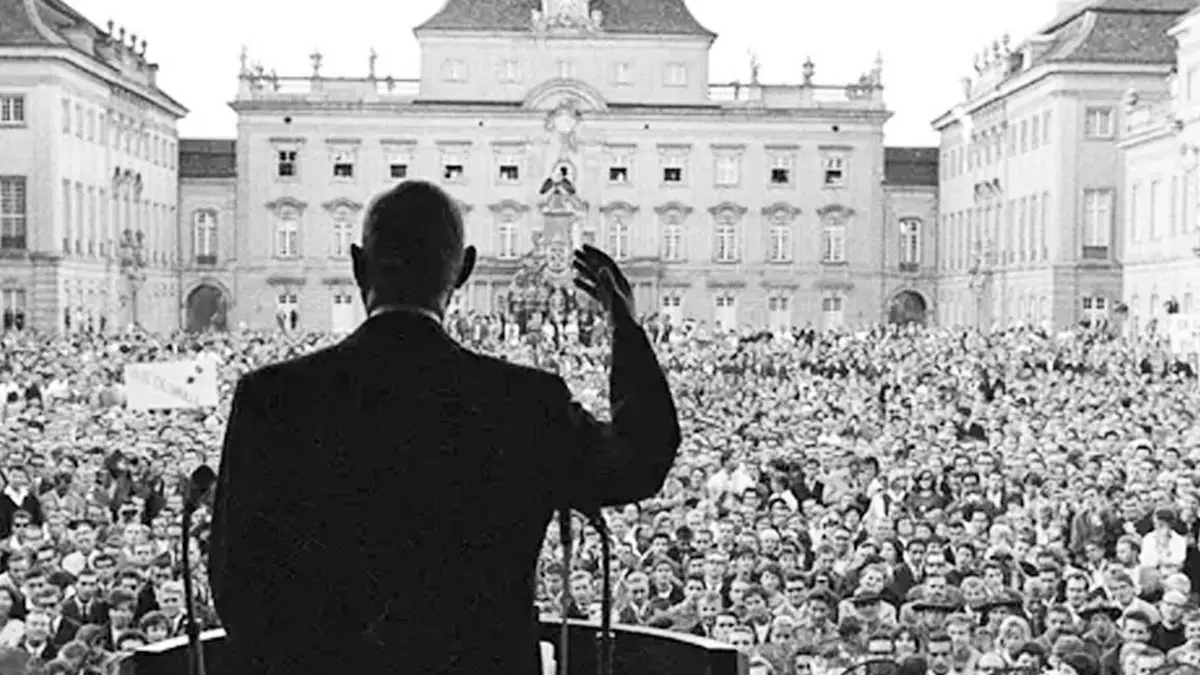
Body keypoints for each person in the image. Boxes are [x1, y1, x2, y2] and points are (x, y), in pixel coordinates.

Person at [209, 179, 681, 674]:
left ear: (357, 265)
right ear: (464, 270)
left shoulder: (274, 398)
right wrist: (624, 327)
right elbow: (641, 459)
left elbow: (237, 585)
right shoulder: (524, 404)